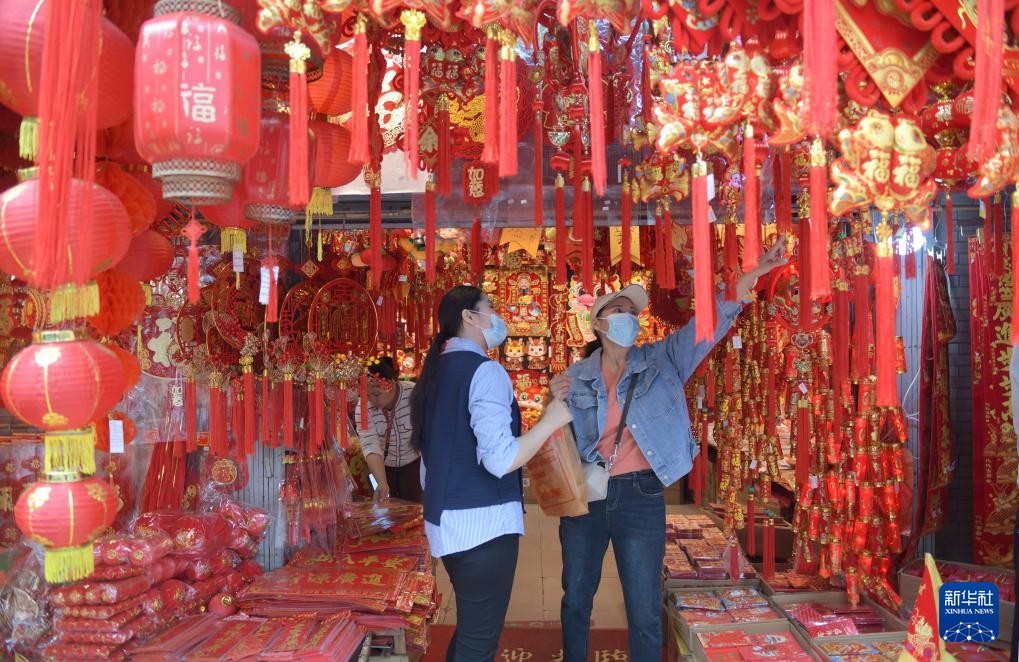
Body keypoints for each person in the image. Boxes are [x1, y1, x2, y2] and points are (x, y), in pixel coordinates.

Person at [548, 237, 788, 662]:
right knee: (576, 600)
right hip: (586, 496)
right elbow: (555, 442)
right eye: (618, 311)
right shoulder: (576, 376)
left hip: (640, 495)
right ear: (598, 324)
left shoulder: (664, 360)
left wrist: (752, 275)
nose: (628, 318)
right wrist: (553, 402)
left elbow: (709, 325)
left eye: (632, 312)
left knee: (644, 609)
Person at [410, 285, 573, 662]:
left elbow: (429, 463)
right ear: (469, 317)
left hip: (446, 521)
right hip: (482, 526)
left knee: (472, 630)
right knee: (480, 641)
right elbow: (499, 460)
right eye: (490, 307)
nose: (498, 316)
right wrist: (549, 422)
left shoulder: (436, 371)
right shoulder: (485, 371)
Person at [354, 356, 421, 503]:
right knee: (386, 511)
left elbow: (429, 434)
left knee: (415, 510)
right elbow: (369, 444)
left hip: (414, 466)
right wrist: (381, 482)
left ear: (391, 384)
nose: (372, 400)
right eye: (367, 395)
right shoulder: (363, 407)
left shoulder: (415, 395)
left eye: (376, 394)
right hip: (382, 467)